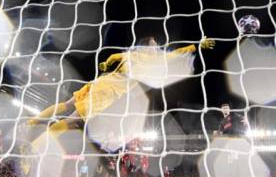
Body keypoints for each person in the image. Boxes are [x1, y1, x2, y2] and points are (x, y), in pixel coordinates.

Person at [28, 36, 215, 149]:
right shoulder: (155, 59)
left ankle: (33, 121)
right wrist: (198, 45)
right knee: (73, 119)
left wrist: (106, 64)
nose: (156, 47)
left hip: (102, 81)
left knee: (68, 105)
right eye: (153, 44)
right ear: (147, 46)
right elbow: (177, 53)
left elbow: (113, 56)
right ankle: (37, 145)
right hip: (109, 91)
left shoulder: (132, 54)